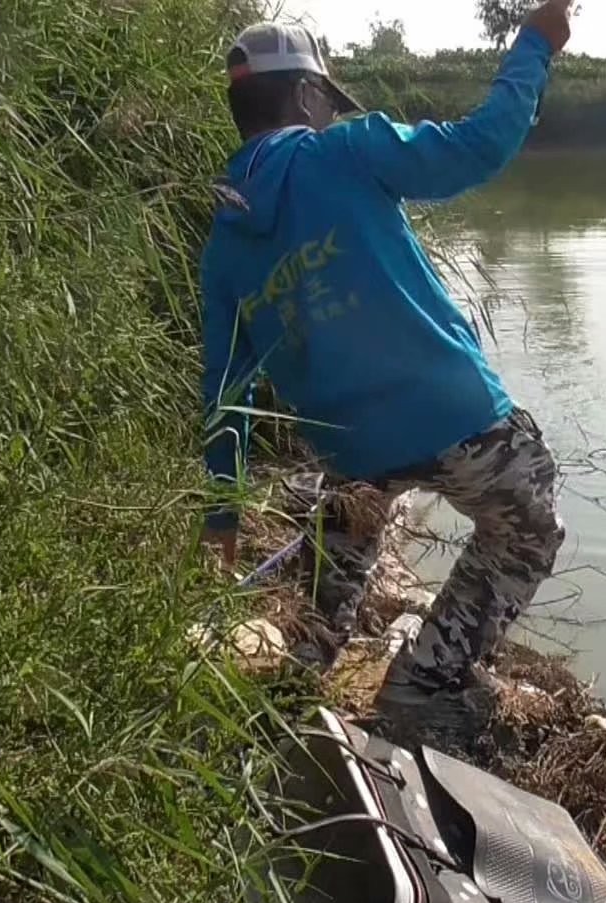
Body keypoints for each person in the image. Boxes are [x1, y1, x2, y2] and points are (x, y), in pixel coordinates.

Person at [199, 1, 574, 720]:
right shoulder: (345, 152)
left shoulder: (225, 243)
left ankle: (300, 677)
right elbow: (482, 145)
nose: (330, 114)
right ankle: (423, 682)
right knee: (528, 522)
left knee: (342, 546)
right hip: (454, 417)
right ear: (305, 95)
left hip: (350, 452)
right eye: (325, 100)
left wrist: (222, 514)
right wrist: (534, 44)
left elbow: (225, 393)